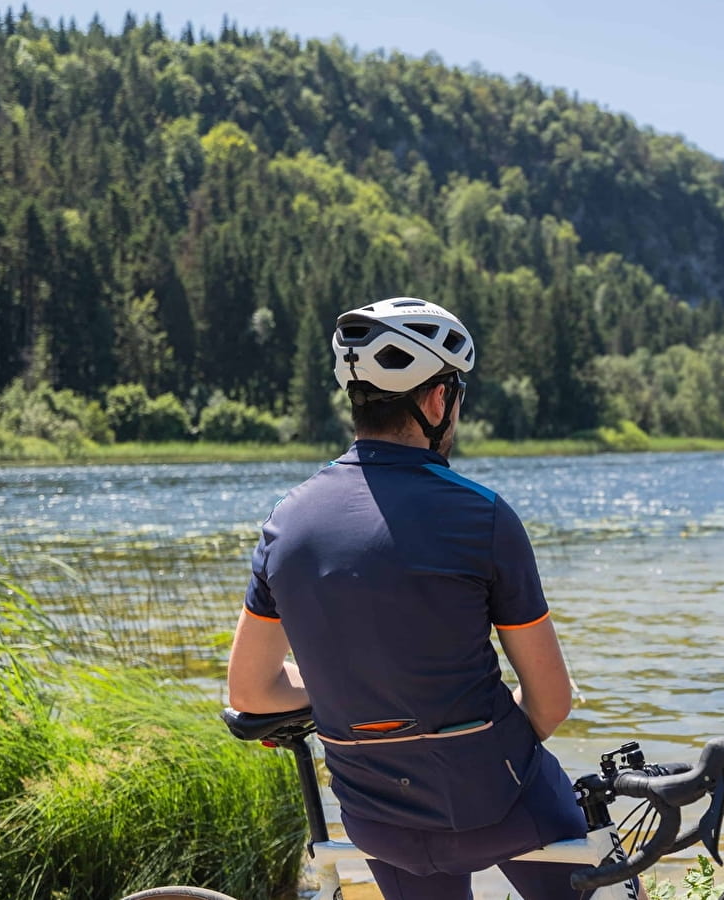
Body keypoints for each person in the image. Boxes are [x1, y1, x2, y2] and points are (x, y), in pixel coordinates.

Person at [226, 297, 585, 900]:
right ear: (438, 400)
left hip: (379, 821)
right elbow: (551, 702)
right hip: (502, 803)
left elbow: (250, 690)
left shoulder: (286, 524)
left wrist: (350, 682)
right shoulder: (483, 516)